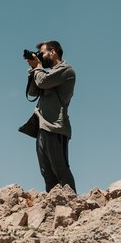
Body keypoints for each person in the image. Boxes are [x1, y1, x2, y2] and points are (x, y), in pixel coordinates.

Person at [26, 40, 76, 193]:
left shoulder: (66, 70)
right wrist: (34, 69)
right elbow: (33, 92)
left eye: (43, 53)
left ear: (53, 52)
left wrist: (38, 67)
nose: (41, 56)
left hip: (55, 127)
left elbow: (42, 82)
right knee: (47, 174)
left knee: (60, 170)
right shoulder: (47, 74)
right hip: (42, 126)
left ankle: (73, 208)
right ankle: (54, 208)